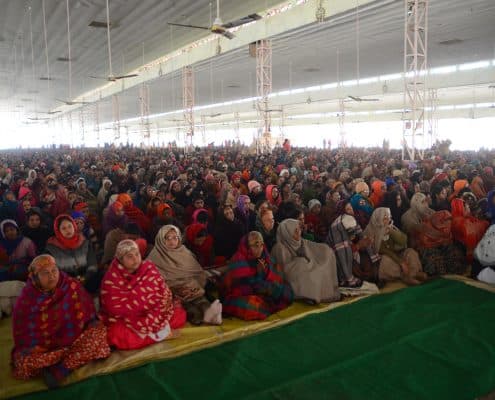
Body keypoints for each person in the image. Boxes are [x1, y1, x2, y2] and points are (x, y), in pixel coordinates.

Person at [11, 255, 110, 388]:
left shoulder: (71, 285)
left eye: (54, 270)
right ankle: (71, 360)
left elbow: (88, 316)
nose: (52, 276)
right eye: (45, 273)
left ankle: (61, 369)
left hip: (75, 340)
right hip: (46, 350)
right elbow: (24, 336)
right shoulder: (26, 300)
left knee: (98, 334)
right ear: (34, 277)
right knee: (23, 363)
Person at [100, 240, 186, 350]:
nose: (135, 259)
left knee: (179, 315)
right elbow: (113, 308)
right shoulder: (111, 278)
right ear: (120, 260)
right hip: (129, 319)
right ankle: (160, 335)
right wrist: (138, 312)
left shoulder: (149, 268)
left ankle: (156, 333)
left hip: (154, 314)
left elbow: (164, 292)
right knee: (116, 334)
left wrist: (152, 312)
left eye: (137, 254)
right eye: (129, 256)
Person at [147, 225, 222, 325]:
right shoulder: (154, 256)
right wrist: (174, 291)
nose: (172, 241)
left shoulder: (185, 252)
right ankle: (196, 317)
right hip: (173, 293)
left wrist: (195, 287)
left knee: (203, 303)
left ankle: (210, 314)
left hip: (192, 289)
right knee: (190, 310)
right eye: (167, 238)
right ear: (160, 239)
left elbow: (197, 272)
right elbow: (152, 281)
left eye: (175, 238)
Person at [220, 232, 293, 320]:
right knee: (253, 306)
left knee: (287, 292)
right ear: (247, 246)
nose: (259, 249)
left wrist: (264, 276)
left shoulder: (265, 256)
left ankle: (268, 302)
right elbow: (243, 288)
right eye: (255, 245)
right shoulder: (239, 260)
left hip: (262, 289)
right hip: (243, 294)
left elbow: (275, 277)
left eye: (261, 244)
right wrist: (259, 277)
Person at [271, 219, 340, 304]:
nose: (298, 232)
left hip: (306, 267)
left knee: (326, 252)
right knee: (301, 263)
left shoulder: (301, 241)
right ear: (286, 233)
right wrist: (301, 262)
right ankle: (307, 296)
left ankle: (314, 295)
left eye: (299, 229)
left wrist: (324, 250)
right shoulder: (279, 248)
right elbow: (283, 270)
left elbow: (312, 246)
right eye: (294, 230)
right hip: (291, 277)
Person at [364, 208, 427, 285]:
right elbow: (382, 250)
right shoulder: (370, 231)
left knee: (410, 252)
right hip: (381, 259)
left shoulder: (390, 228)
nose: (388, 220)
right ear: (378, 219)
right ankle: (404, 276)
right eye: (385, 218)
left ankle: (412, 274)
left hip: (396, 255)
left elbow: (403, 241)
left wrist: (391, 231)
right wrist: (401, 262)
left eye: (389, 217)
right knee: (386, 260)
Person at [45, 215, 100, 293]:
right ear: (58, 230)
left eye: (69, 226)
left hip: (86, 280)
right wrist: (70, 280)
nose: (68, 230)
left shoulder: (84, 242)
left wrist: (85, 277)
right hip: (65, 285)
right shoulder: (52, 248)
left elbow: (92, 263)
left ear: (74, 227)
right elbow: (53, 271)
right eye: (63, 228)